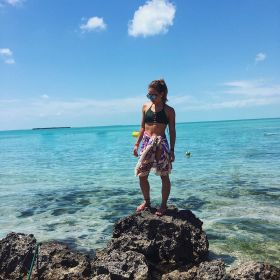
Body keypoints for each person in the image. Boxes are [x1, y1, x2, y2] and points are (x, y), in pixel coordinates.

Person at [133, 79, 176, 216]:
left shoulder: (169, 111)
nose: (151, 98)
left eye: (153, 95)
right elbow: (142, 127)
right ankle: (147, 201)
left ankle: (163, 205)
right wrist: (136, 144)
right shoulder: (145, 107)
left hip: (161, 144)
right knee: (142, 174)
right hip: (146, 143)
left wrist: (172, 150)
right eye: (149, 95)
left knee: (164, 175)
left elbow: (173, 131)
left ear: (162, 94)